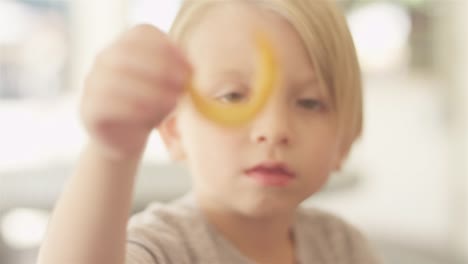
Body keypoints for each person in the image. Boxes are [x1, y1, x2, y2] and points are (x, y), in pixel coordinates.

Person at [38, 0, 381, 263]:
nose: (274, 130)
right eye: (232, 96)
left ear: (344, 138)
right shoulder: (165, 247)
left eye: (309, 103)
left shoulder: (343, 247)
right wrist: (111, 153)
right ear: (173, 130)